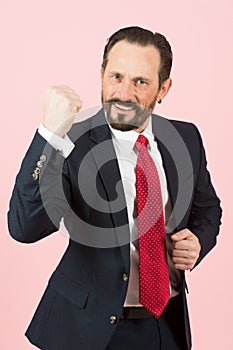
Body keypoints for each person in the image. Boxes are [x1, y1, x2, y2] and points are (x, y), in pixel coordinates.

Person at [8, 26, 222, 350]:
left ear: (164, 87)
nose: (123, 94)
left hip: (167, 325)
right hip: (87, 329)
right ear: (102, 74)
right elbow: (24, 227)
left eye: (140, 82)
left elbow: (208, 208)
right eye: (116, 76)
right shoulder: (72, 143)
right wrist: (48, 135)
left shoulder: (187, 138)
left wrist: (199, 241)